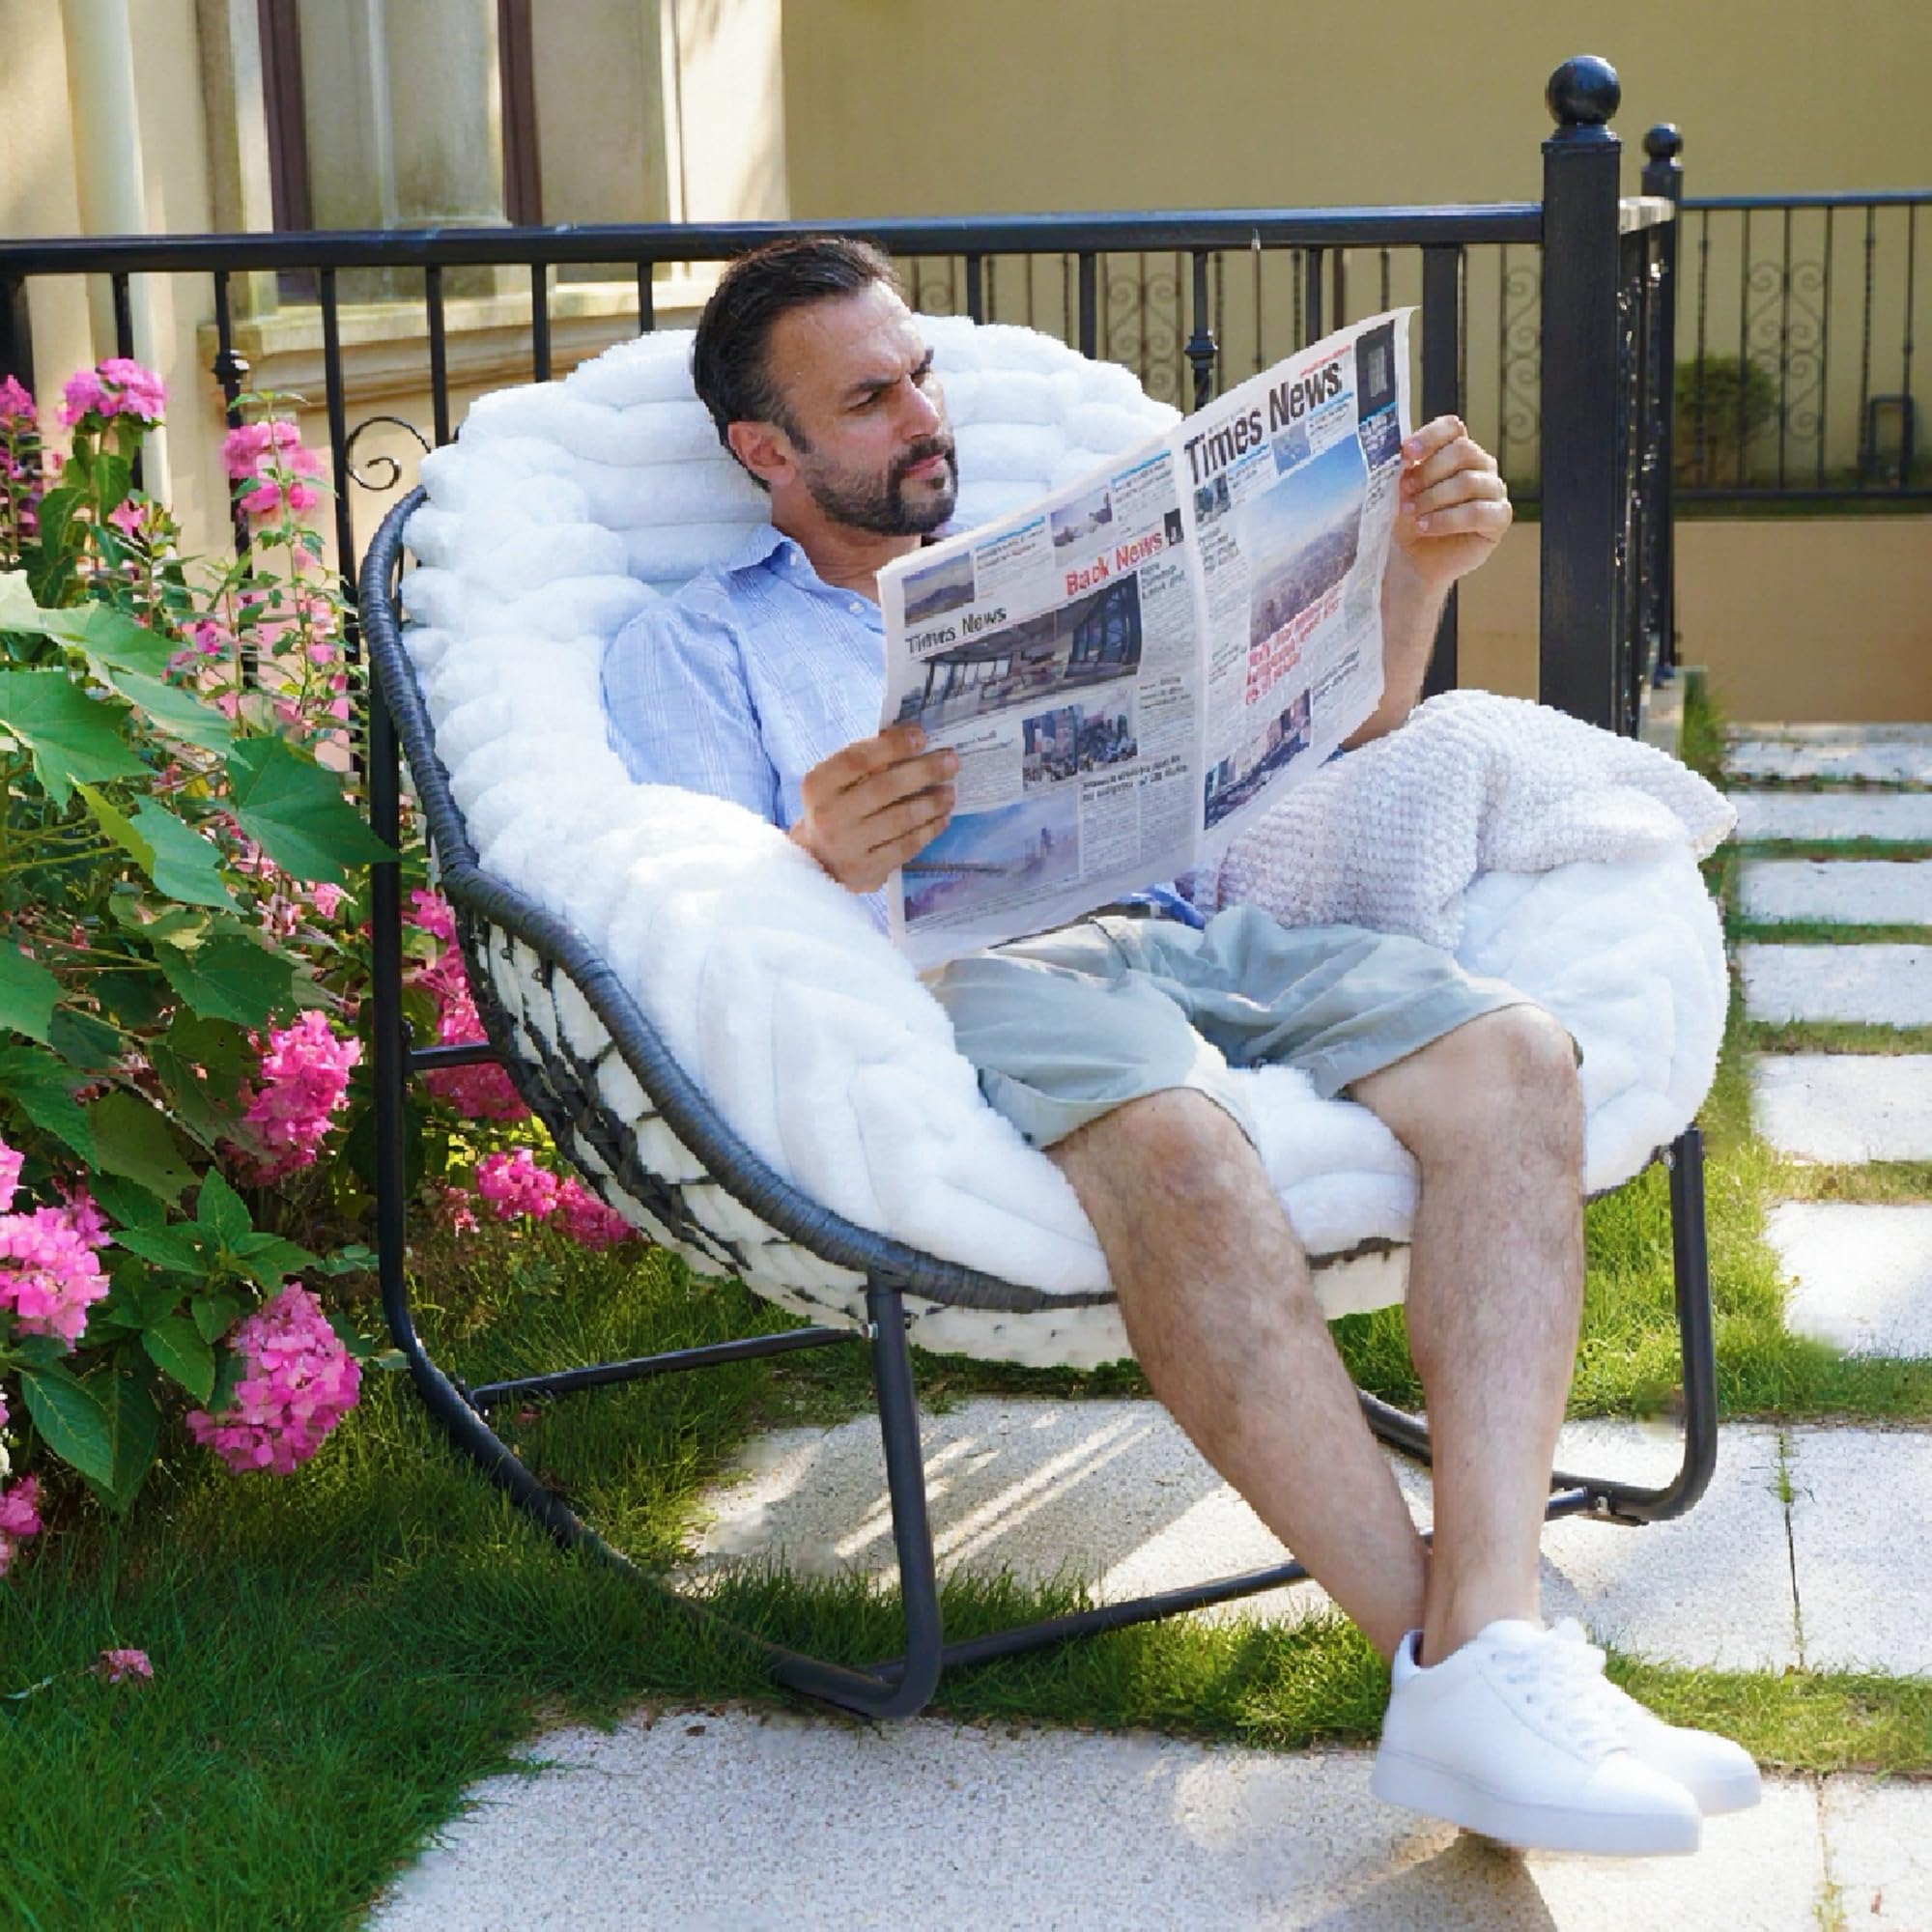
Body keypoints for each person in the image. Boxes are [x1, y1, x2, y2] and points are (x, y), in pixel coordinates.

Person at [601, 237, 1759, 1857]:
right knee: (1184, 1145)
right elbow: (693, 920)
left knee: (1516, 1063)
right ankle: (1464, 1670)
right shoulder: (695, 647)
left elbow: (1327, 741)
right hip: (972, 968)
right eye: (868, 401)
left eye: (921, 374)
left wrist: (1415, 574)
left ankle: (1493, 1641)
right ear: (765, 452)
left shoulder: (1051, 570)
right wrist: (817, 856)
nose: (923, 416)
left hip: (1200, 921)